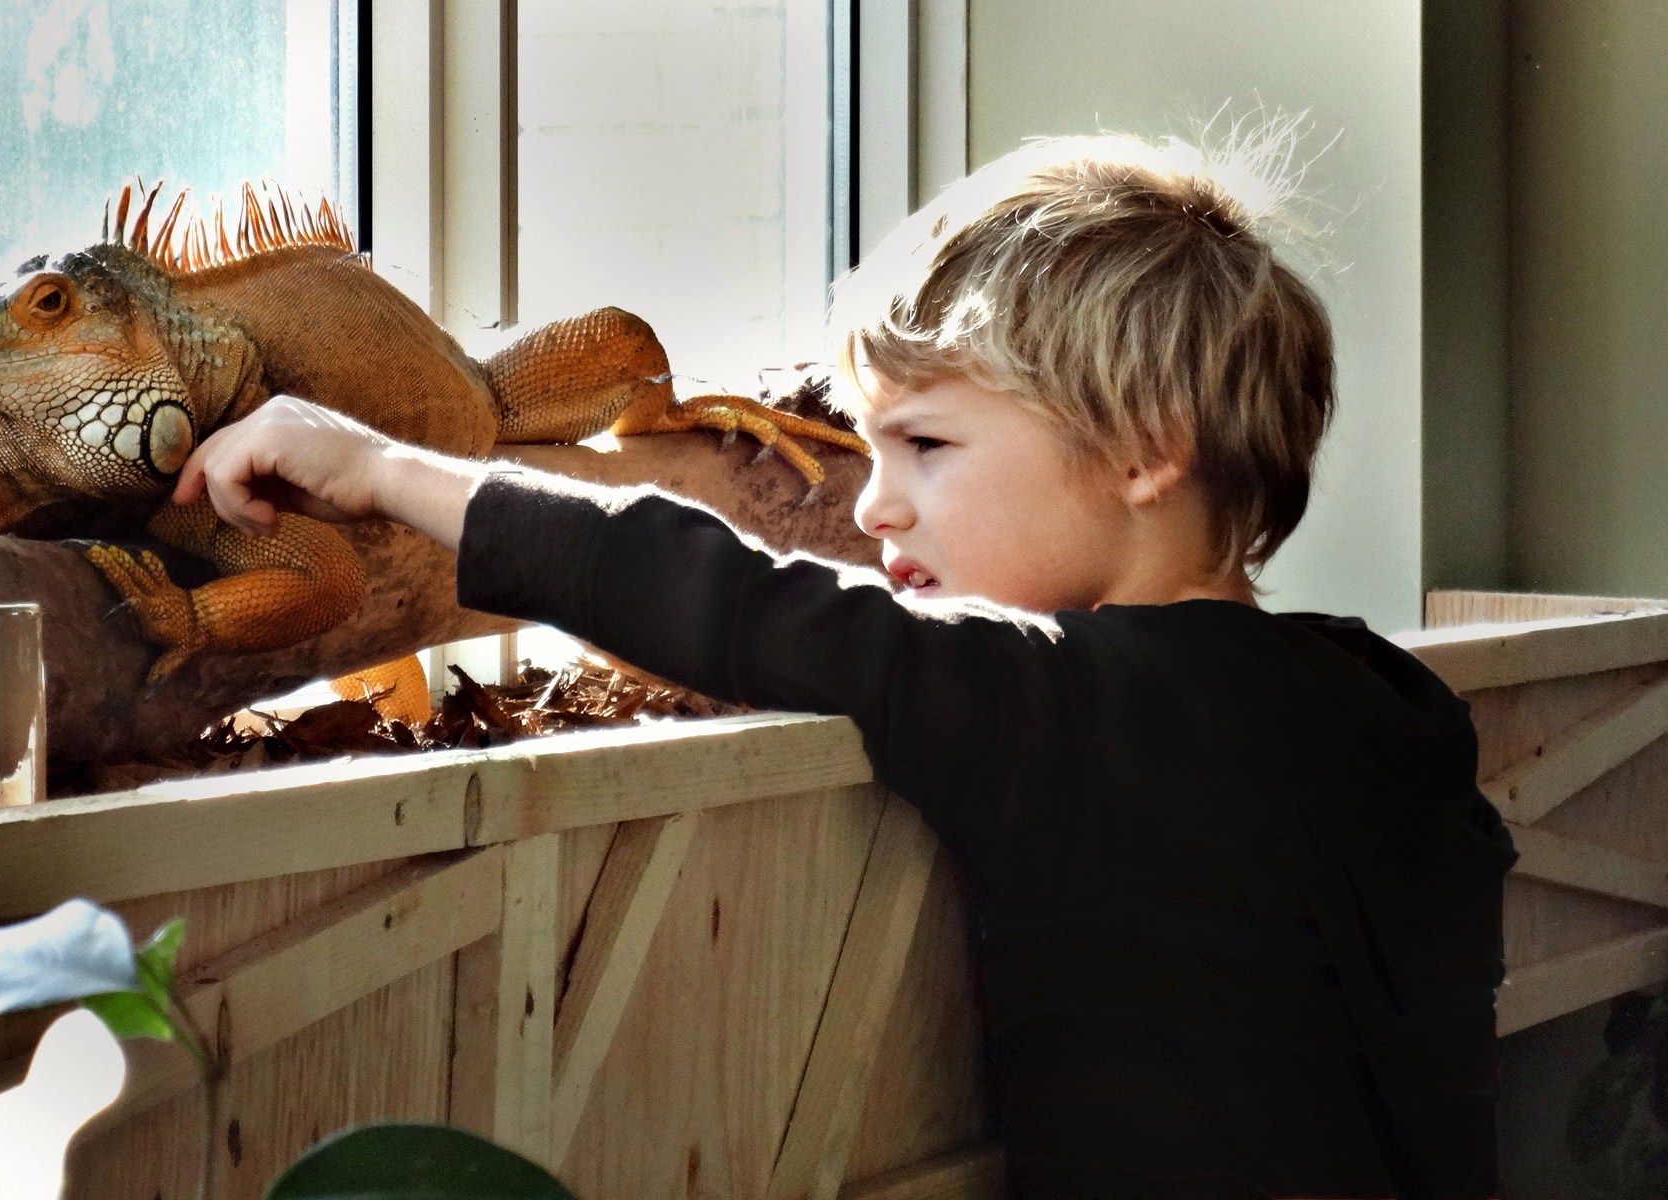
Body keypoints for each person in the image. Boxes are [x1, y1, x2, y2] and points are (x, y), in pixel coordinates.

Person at [174, 133, 1517, 1199]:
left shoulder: (1059, 700)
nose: (875, 509)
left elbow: (717, 593)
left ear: (1145, 450)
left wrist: (379, 467)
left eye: (926, 448)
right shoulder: (1383, 699)